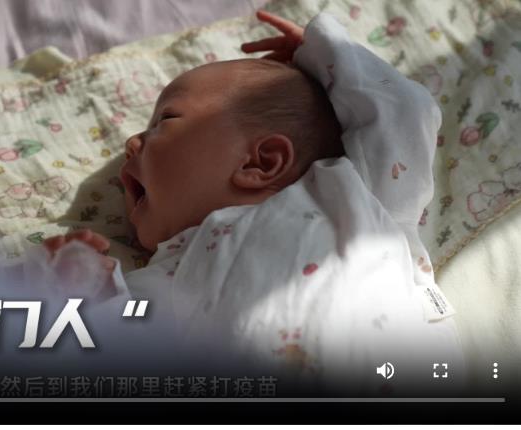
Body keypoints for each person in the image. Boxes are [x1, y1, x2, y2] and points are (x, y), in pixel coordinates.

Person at [41, 11, 464, 394]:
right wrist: (86, 287)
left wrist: (326, 56)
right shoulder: (169, 272)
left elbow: (404, 113)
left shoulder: (353, 191)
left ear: (262, 161)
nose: (131, 143)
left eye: (165, 120)